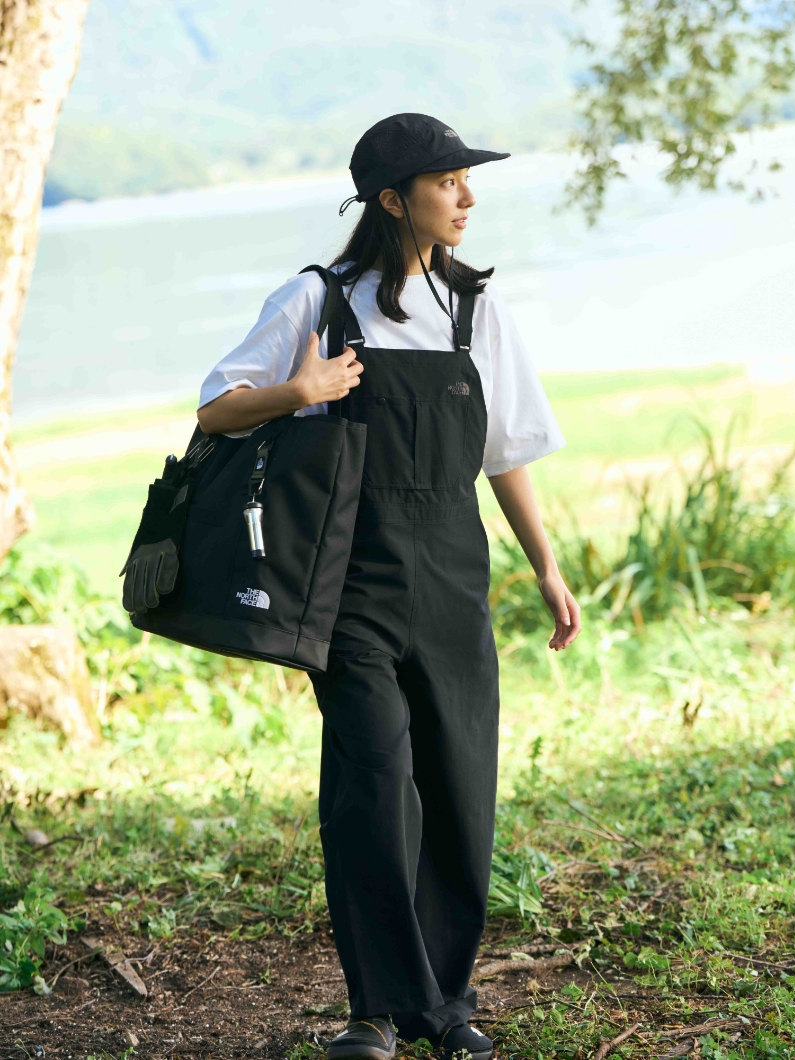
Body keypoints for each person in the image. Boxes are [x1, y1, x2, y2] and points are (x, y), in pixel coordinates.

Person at [197, 113, 581, 1060]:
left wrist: (545, 565)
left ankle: (444, 1005)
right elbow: (216, 407)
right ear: (392, 200)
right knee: (372, 785)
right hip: (348, 586)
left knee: (458, 789)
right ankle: (374, 1010)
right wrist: (300, 392)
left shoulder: (476, 309)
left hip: (453, 580)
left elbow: (505, 454)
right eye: (447, 181)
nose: (467, 196)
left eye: (465, 179)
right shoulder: (317, 300)